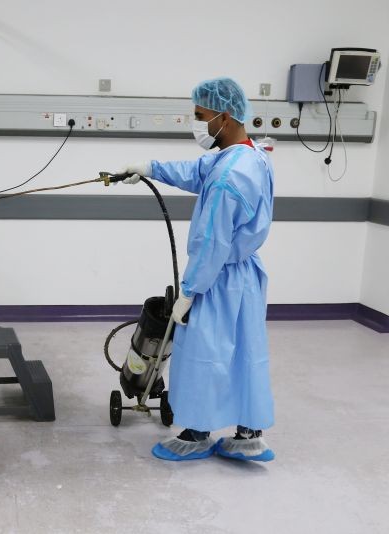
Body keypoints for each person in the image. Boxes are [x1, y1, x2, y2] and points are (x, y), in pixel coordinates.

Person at [119, 77, 275, 462]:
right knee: (243, 351)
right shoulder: (249, 156)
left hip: (216, 279)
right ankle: (248, 434)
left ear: (224, 116)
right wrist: (150, 168)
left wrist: (189, 291)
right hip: (244, 278)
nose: (197, 123)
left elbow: (211, 244)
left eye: (200, 116)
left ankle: (197, 433)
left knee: (203, 353)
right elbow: (196, 171)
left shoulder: (227, 179)